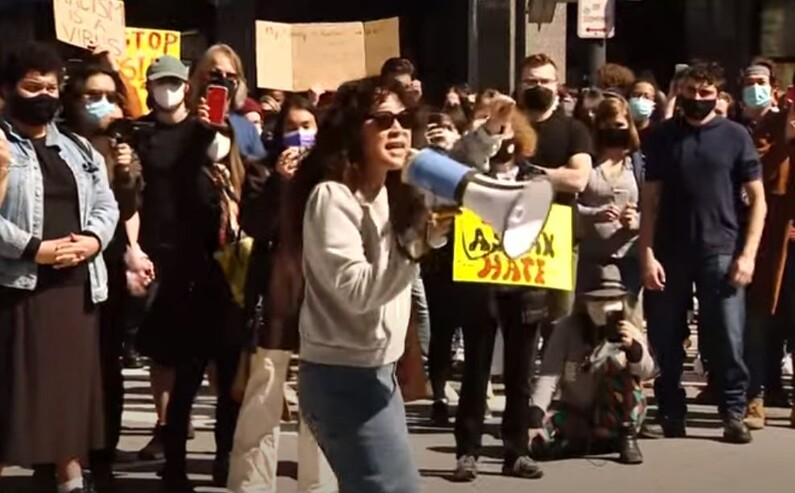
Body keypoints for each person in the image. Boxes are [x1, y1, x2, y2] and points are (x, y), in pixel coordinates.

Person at [286, 76, 453, 493]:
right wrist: (417, 245)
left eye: (404, 118)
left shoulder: (389, 193)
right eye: (382, 119)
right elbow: (358, 292)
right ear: (353, 130)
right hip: (344, 379)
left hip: (377, 375)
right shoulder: (332, 197)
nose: (397, 128)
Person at [0, 42, 120, 493]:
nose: (44, 95)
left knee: (67, 401)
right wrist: (35, 249)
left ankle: (71, 479)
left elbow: (105, 204)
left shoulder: (77, 148)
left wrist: (92, 240)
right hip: (15, 286)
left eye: (51, 86)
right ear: (9, 90)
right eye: (33, 87)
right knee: (13, 399)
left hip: (74, 288)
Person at [640, 62, 767, 443]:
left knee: (727, 336)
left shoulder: (735, 135)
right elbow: (650, 201)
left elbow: (759, 201)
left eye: (706, 92)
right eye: (691, 92)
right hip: (669, 251)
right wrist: (646, 253)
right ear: (680, 93)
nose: (698, 99)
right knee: (665, 337)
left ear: (717, 93)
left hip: (722, 250)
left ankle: (733, 412)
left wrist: (749, 255)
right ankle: (670, 411)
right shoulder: (662, 137)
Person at [228, 94, 337, 493]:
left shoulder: (331, 175)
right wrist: (279, 182)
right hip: (274, 297)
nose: (300, 134)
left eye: (308, 126)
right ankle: (252, 483)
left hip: (321, 297)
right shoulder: (262, 172)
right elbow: (256, 225)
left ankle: (318, 483)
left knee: (318, 395)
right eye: (291, 127)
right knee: (264, 393)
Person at [60, 55, 151, 484]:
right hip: (66, 265)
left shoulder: (120, 148)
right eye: (90, 95)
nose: (100, 103)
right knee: (68, 369)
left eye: (107, 96)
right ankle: (62, 456)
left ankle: (104, 457)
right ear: (73, 101)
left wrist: (124, 169)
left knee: (107, 367)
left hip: (109, 266)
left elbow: (129, 207)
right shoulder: (56, 143)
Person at [528, 263, 655, 464]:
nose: (605, 306)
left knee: (617, 366)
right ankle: (588, 440)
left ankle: (625, 436)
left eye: (612, 299)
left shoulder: (629, 328)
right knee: (540, 436)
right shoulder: (567, 329)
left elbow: (647, 372)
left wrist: (634, 349)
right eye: (597, 300)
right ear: (584, 303)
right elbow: (549, 374)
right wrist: (536, 412)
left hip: (616, 410)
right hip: (575, 408)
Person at [741, 61, 794, 430]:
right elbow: (754, 172)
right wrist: (787, 139)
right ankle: (754, 396)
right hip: (770, 240)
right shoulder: (771, 128)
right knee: (759, 319)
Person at [577, 95, 643, 301]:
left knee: (629, 325)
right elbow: (569, 205)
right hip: (589, 259)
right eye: (606, 124)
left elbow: (654, 206)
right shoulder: (587, 161)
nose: (613, 129)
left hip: (629, 259)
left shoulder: (639, 164)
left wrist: (637, 220)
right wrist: (594, 214)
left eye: (618, 124)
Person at [189, 44, 267, 163]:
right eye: (215, 74)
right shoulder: (185, 123)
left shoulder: (247, 129)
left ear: (238, 82)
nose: (223, 80)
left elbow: (259, 173)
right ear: (200, 77)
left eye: (230, 76)